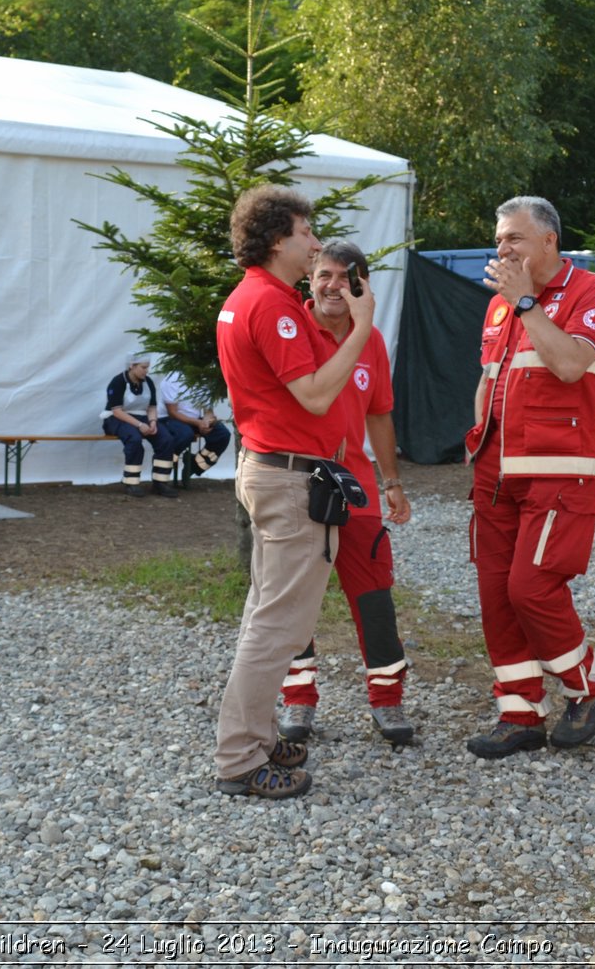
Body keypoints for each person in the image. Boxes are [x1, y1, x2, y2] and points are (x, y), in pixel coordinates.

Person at [213, 184, 374, 800]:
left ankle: (252, 737)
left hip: (274, 470)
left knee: (267, 614)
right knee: (279, 625)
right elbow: (314, 394)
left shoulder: (260, 297)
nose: (314, 245)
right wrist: (361, 328)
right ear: (278, 237)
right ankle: (239, 758)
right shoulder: (272, 306)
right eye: (307, 234)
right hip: (288, 477)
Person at [463, 196, 595, 759]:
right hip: (496, 472)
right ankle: (520, 714)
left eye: (514, 239)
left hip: (561, 471)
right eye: (499, 239)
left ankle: (589, 685)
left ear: (550, 241)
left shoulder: (594, 295)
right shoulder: (500, 307)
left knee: (531, 588)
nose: (502, 249)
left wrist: (527, 303)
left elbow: (570, 364)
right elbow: (489, 379)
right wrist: (476, 437)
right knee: (495, 595)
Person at [277, 241, 416, 746]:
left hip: (354, 490)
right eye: (326, 275)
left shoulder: (371, 340)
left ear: (364, 285)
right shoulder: (290, 327)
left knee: (375, 595)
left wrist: (392, 482)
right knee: (296, 600)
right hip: (296, 485)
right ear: (309, 279)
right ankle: (298, 700)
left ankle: (387, 701)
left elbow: (379, 413)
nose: (335, 286)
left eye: (348, 278)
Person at [102, 354, 180, 498]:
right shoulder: (118, 381)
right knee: (134, 439)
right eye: (143, 367)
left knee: (166, 439)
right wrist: (139, 425)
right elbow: (117, 411)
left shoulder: (148, 382)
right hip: (117, 418)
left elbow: (151, 407)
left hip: (142, 417)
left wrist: (153, 422)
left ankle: (160, 482)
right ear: (132, 366)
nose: (146, 371)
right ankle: (131, 482)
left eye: (147, 367)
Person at [155, 368, 231, 479]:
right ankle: (160, 477)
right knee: (185, 435)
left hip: (193, 420)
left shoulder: (204, 378)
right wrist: (198, 423)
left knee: (222, 434)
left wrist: (207, 420)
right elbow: (172, 412)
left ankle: (194, 466)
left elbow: (208, 410)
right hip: (169, 419)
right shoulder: (172, 379)